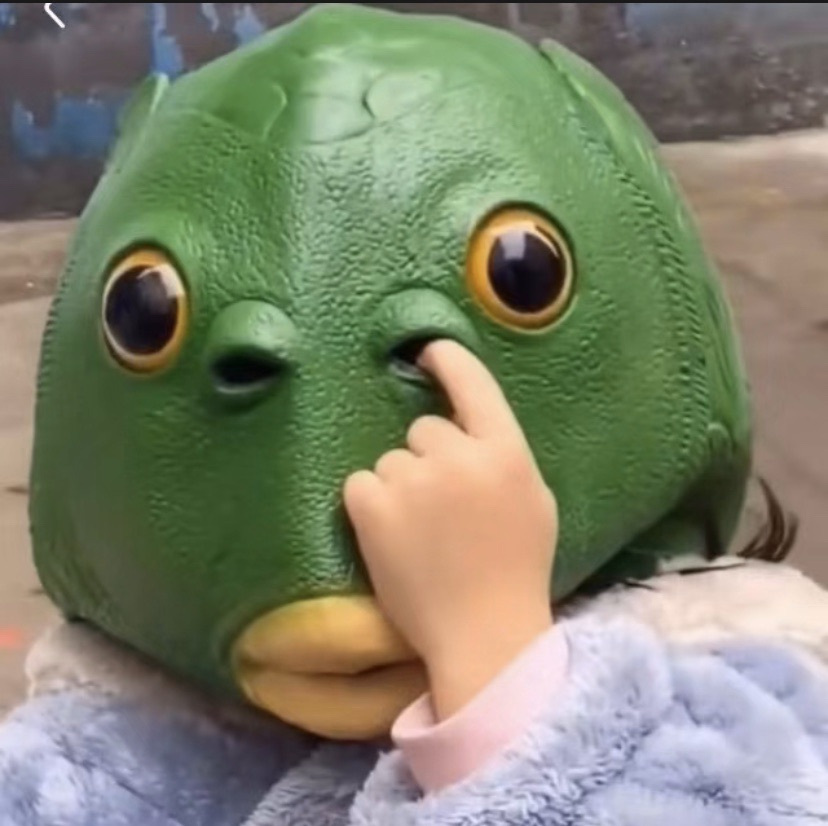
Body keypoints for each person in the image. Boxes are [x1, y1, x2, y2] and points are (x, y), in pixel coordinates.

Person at [3, 4, 828, 824]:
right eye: (147, 314)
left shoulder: (728, 701)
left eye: (522, 274)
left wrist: (500, 674)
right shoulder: (93, 762)